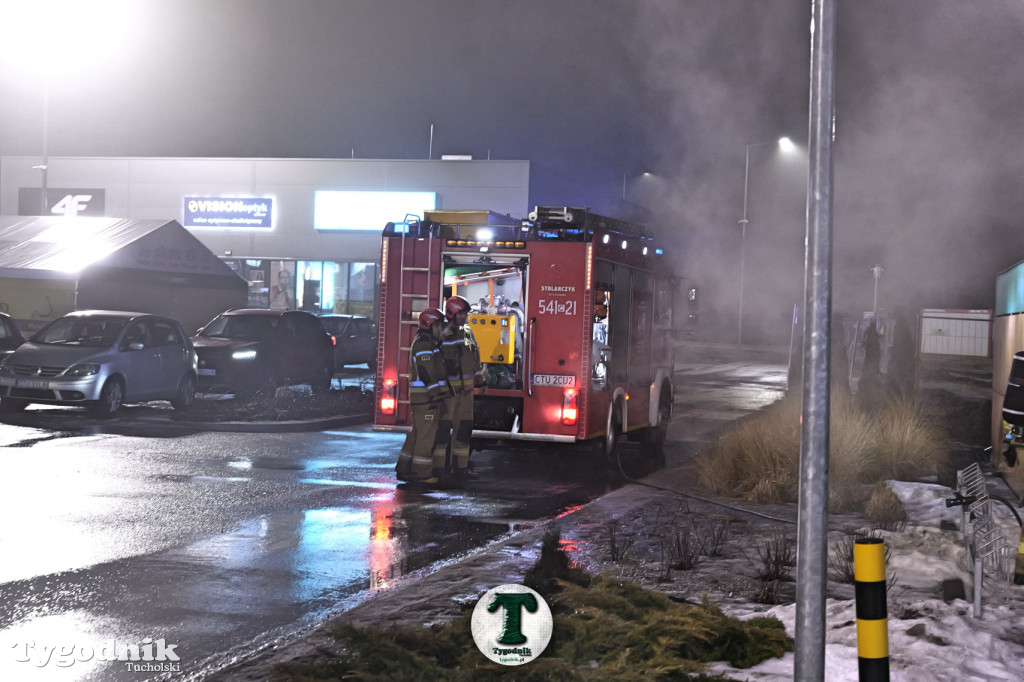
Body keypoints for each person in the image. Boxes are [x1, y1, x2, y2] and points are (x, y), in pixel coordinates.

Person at [395, 308, 449, 486]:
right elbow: (427, 372)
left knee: (417, 434)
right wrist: (435, 394)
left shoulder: (426, 343)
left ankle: (404, 468)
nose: (440, 330)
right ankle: (422, 473)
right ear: (429, 325)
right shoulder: (424, 345)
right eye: (438, 326)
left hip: (421, 399)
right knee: (426, 436)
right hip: (426, 399)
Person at [438, 295, 484, 485]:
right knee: (442, 432)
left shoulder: (468, 332)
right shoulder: (442, 334)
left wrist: (480, 380)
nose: (465, 317)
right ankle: (440, 469)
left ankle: (461, 468)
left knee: (464, 430)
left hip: (466, 394)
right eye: (462, 314)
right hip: (449, 394)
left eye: (466, 314)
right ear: (451, 314)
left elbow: (475, 359)